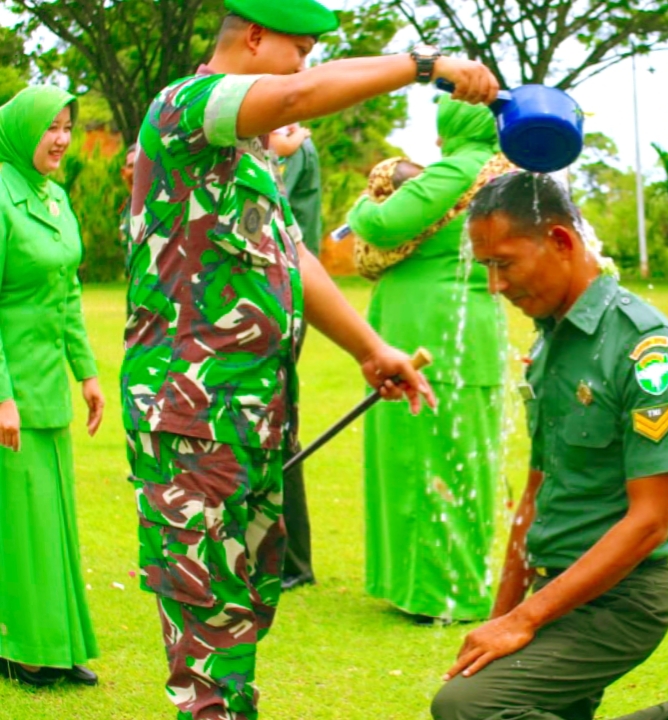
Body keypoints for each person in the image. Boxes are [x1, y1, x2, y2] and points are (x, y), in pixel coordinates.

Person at [122, 0, 497, 717]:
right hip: (188, 415)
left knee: (241, 602)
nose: (304, 66)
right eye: (297, 48)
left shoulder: (248, 158)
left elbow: (289, 254)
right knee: (206, 626)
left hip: (247, 413)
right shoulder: (185, 107)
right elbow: (297, 93)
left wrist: (369, 347)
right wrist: (424, 67)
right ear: (253, 38)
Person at [431, 171, 668, 720]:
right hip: (551, 588)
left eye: (504, 264)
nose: (496, 286)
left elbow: (649, 522)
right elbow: (536, 489)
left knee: (465, 709)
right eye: (486, 268)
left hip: (619, 599)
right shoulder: (553, 337)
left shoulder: (646, 350)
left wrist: (525, 620)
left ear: (560, 241)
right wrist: (504, 611)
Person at [347, 96, 510, 623]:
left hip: (428, 332)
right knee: (465, 459)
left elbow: (382, 225)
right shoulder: (506, 172)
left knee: (423, 460)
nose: (437, 140)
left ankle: (435, 591)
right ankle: (461, 579)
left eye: (443, 127)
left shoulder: (453, 172)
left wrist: (360, 208)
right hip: (472, 333)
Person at [0, 86, 106, 687]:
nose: (62, 139)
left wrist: (87, 373)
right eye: (50, 128)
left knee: (52, 518)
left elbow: (66, 293)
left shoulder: (55, 196)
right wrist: (1, 396)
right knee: (20, 520)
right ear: (21, 131)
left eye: (68, 126)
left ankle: (57, 642)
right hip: (10, 389)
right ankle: (22, 647)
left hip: (48, 389)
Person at [271, 122, 323, 591]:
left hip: (286, 293)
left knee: (279, 424)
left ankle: (293, 561)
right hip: (272, 293)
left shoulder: (289, 145)